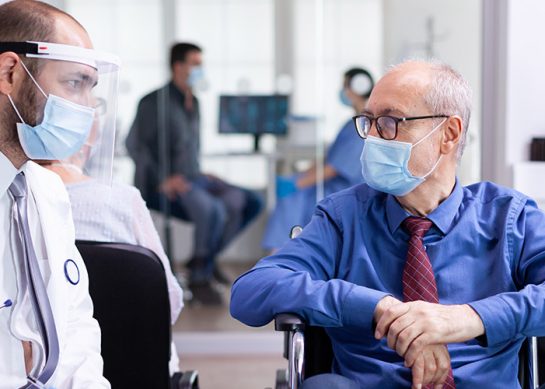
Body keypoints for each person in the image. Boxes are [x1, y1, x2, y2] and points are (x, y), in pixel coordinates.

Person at [231, 60, 545, 388]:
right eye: (369, 122)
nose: (372, 138)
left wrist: (464, 319)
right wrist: (378, 308)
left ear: (449, 134)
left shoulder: (509, 218)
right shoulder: (343, 217)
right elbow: (250, 292)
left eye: (391, 121)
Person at [0, 0, 122, 387]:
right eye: (74, 83)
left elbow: (75, 327)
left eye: (91, 89)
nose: (86, 108)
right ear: (9, 73)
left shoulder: (45, 191)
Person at [40, 116, 184, 374]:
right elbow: (169, 301)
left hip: (47, 369)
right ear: (86, 144)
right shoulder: (123, 200)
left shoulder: (15, 198)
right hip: (135, 369)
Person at [126, 42, 263, 305]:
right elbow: (135, 146)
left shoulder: (195, 103)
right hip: (161, 185)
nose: (201, 70)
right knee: (213, 209)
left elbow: (189, 149)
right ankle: (200, 277)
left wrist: (200, 172)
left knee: (246, 201)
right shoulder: (154, 102)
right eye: (195, 64)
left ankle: (204, 259)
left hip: (193, 178)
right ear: (178, 66)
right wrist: (162, 179)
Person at [262, 67, 374, 250]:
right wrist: (299, 176)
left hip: (345, 187)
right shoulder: (352, 122)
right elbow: (329, 159)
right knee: (294, 187)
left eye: (345, 86)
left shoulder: (363, 126)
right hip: (334, 182)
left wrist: (297, 184)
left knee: (293, 197)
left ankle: (280, 253)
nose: (343, 91)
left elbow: (335, 168)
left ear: (357, 88)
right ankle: (281, 252)